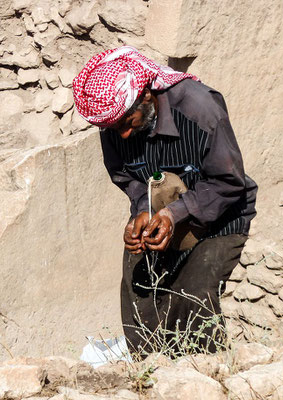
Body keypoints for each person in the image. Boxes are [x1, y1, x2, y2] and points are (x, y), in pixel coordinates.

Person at [72, 46, 258, 357]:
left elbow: (229, 182)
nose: (125, 134)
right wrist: (143, 211)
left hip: (219, 216)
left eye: (128, 122)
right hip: (160, 214)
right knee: (137, 288)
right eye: (115, 128)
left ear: (145, 95)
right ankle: (148, 371)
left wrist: (175, 214)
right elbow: (126, 177)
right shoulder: (115, 121)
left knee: (192, 294)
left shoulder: (199, 109)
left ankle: (204, 371)